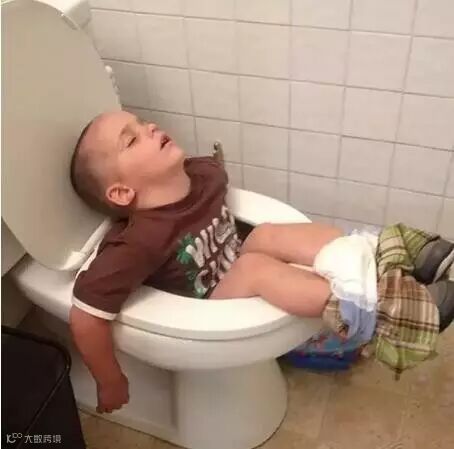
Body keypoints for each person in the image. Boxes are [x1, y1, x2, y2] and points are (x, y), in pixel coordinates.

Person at [69, 110, 454, 414]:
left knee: (267, 234)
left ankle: (383, 255)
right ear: (122, 193)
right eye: (132, 139)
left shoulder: (202, 175)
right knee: (252, 268)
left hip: (231, 263)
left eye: (141, 122)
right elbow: (86, 316)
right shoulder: (135, 244)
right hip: (207, 303)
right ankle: (383, 313)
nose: (149, 127)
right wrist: (110, 380)